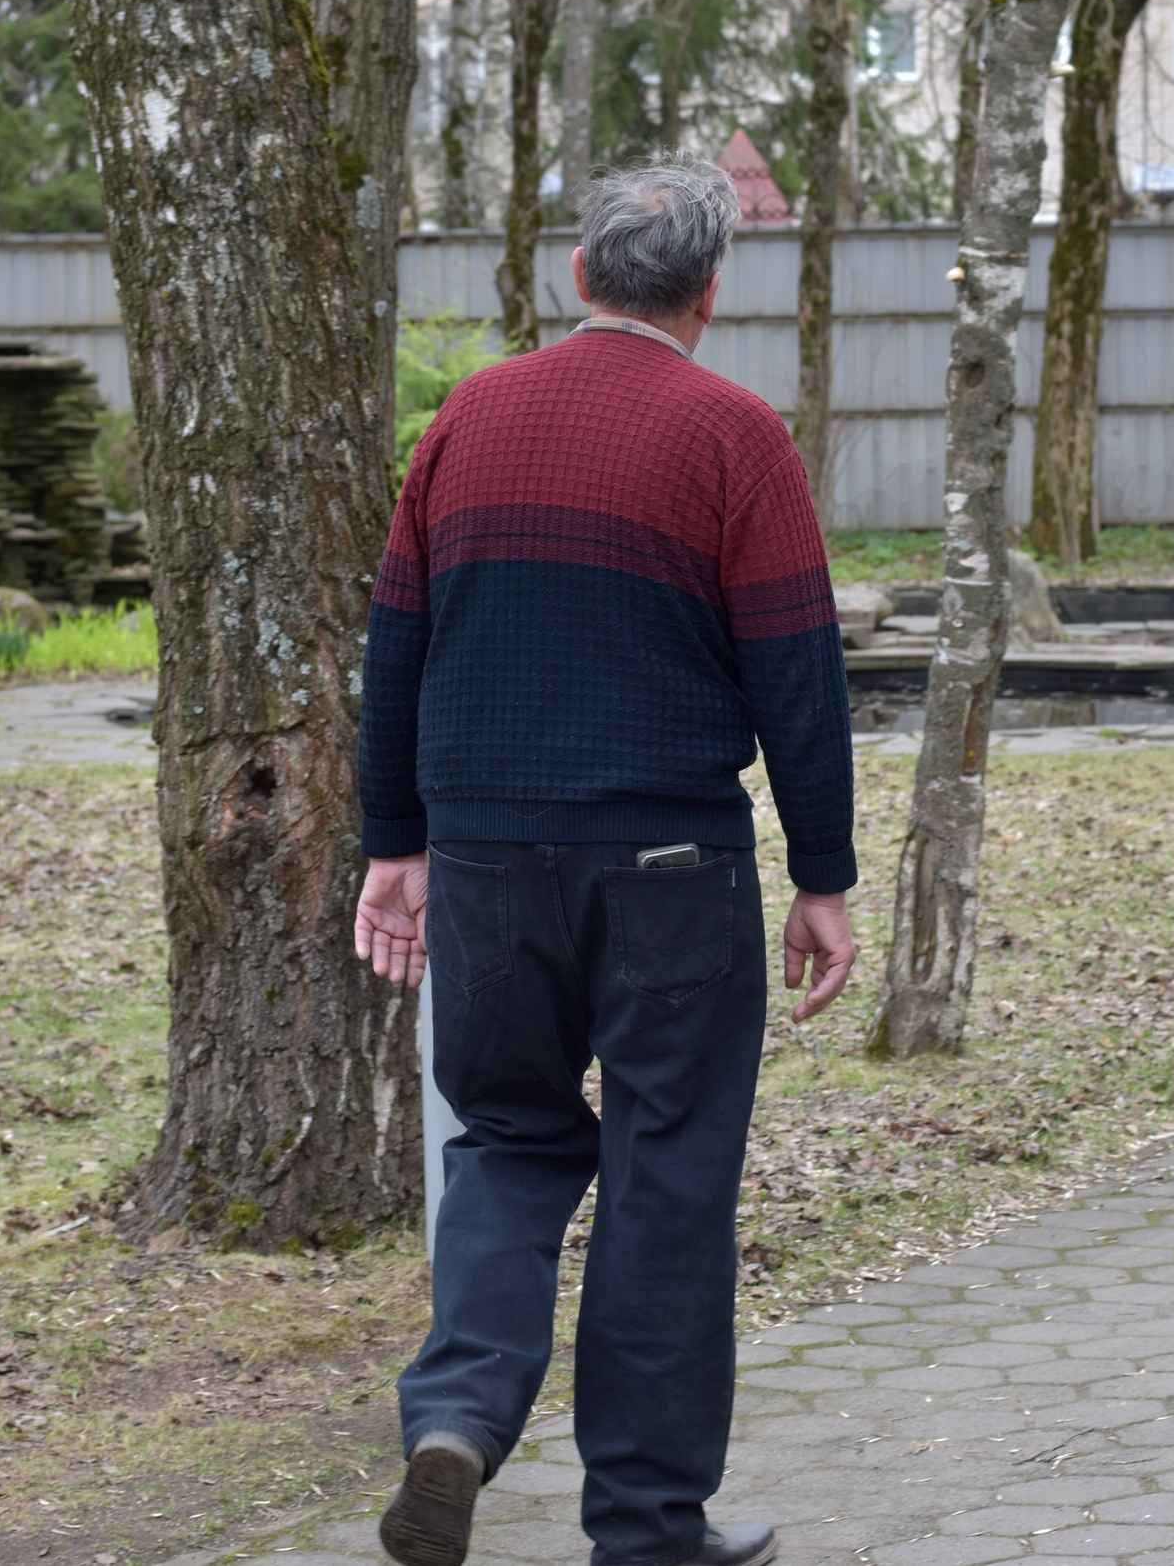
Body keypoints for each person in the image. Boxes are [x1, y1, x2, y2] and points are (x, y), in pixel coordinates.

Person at [352, 153, 860, 1566]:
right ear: (710, 292)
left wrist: (395, 843)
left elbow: (398, 644)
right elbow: (797, 672)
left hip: (490, 859)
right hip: (671, 869)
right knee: (668, 1175)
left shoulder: (467, 418)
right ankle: (644, 1527)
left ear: (579, 275)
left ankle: (455, 1418)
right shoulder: (733, 433)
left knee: (508, 1135)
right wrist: (824, 876)